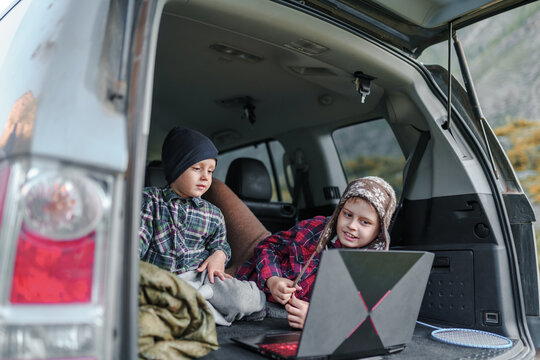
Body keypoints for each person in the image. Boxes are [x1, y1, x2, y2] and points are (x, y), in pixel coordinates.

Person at [139, 126, 265, 325]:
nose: (206, 177)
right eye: (196, 169)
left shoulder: (213, 213)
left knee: (244, 297)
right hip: (160, 278)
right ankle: (193, 306)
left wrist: (220, 255)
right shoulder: (150, 200)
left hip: (202, 279)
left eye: (211, 170)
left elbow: (221, 244)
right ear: (176, 167)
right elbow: (138, 241)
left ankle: (192, 304)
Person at [236, 176, 396, 329]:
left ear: (379, 231)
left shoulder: (373, 267)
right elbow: (268, 246)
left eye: (365, 222)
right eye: (347, 214)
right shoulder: (313, 228)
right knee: (233, 296)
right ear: (339, 211)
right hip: (259, 292)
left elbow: (364, 315)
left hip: (293, 321)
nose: (352, 225)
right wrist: (273, 279)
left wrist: (317, 318)